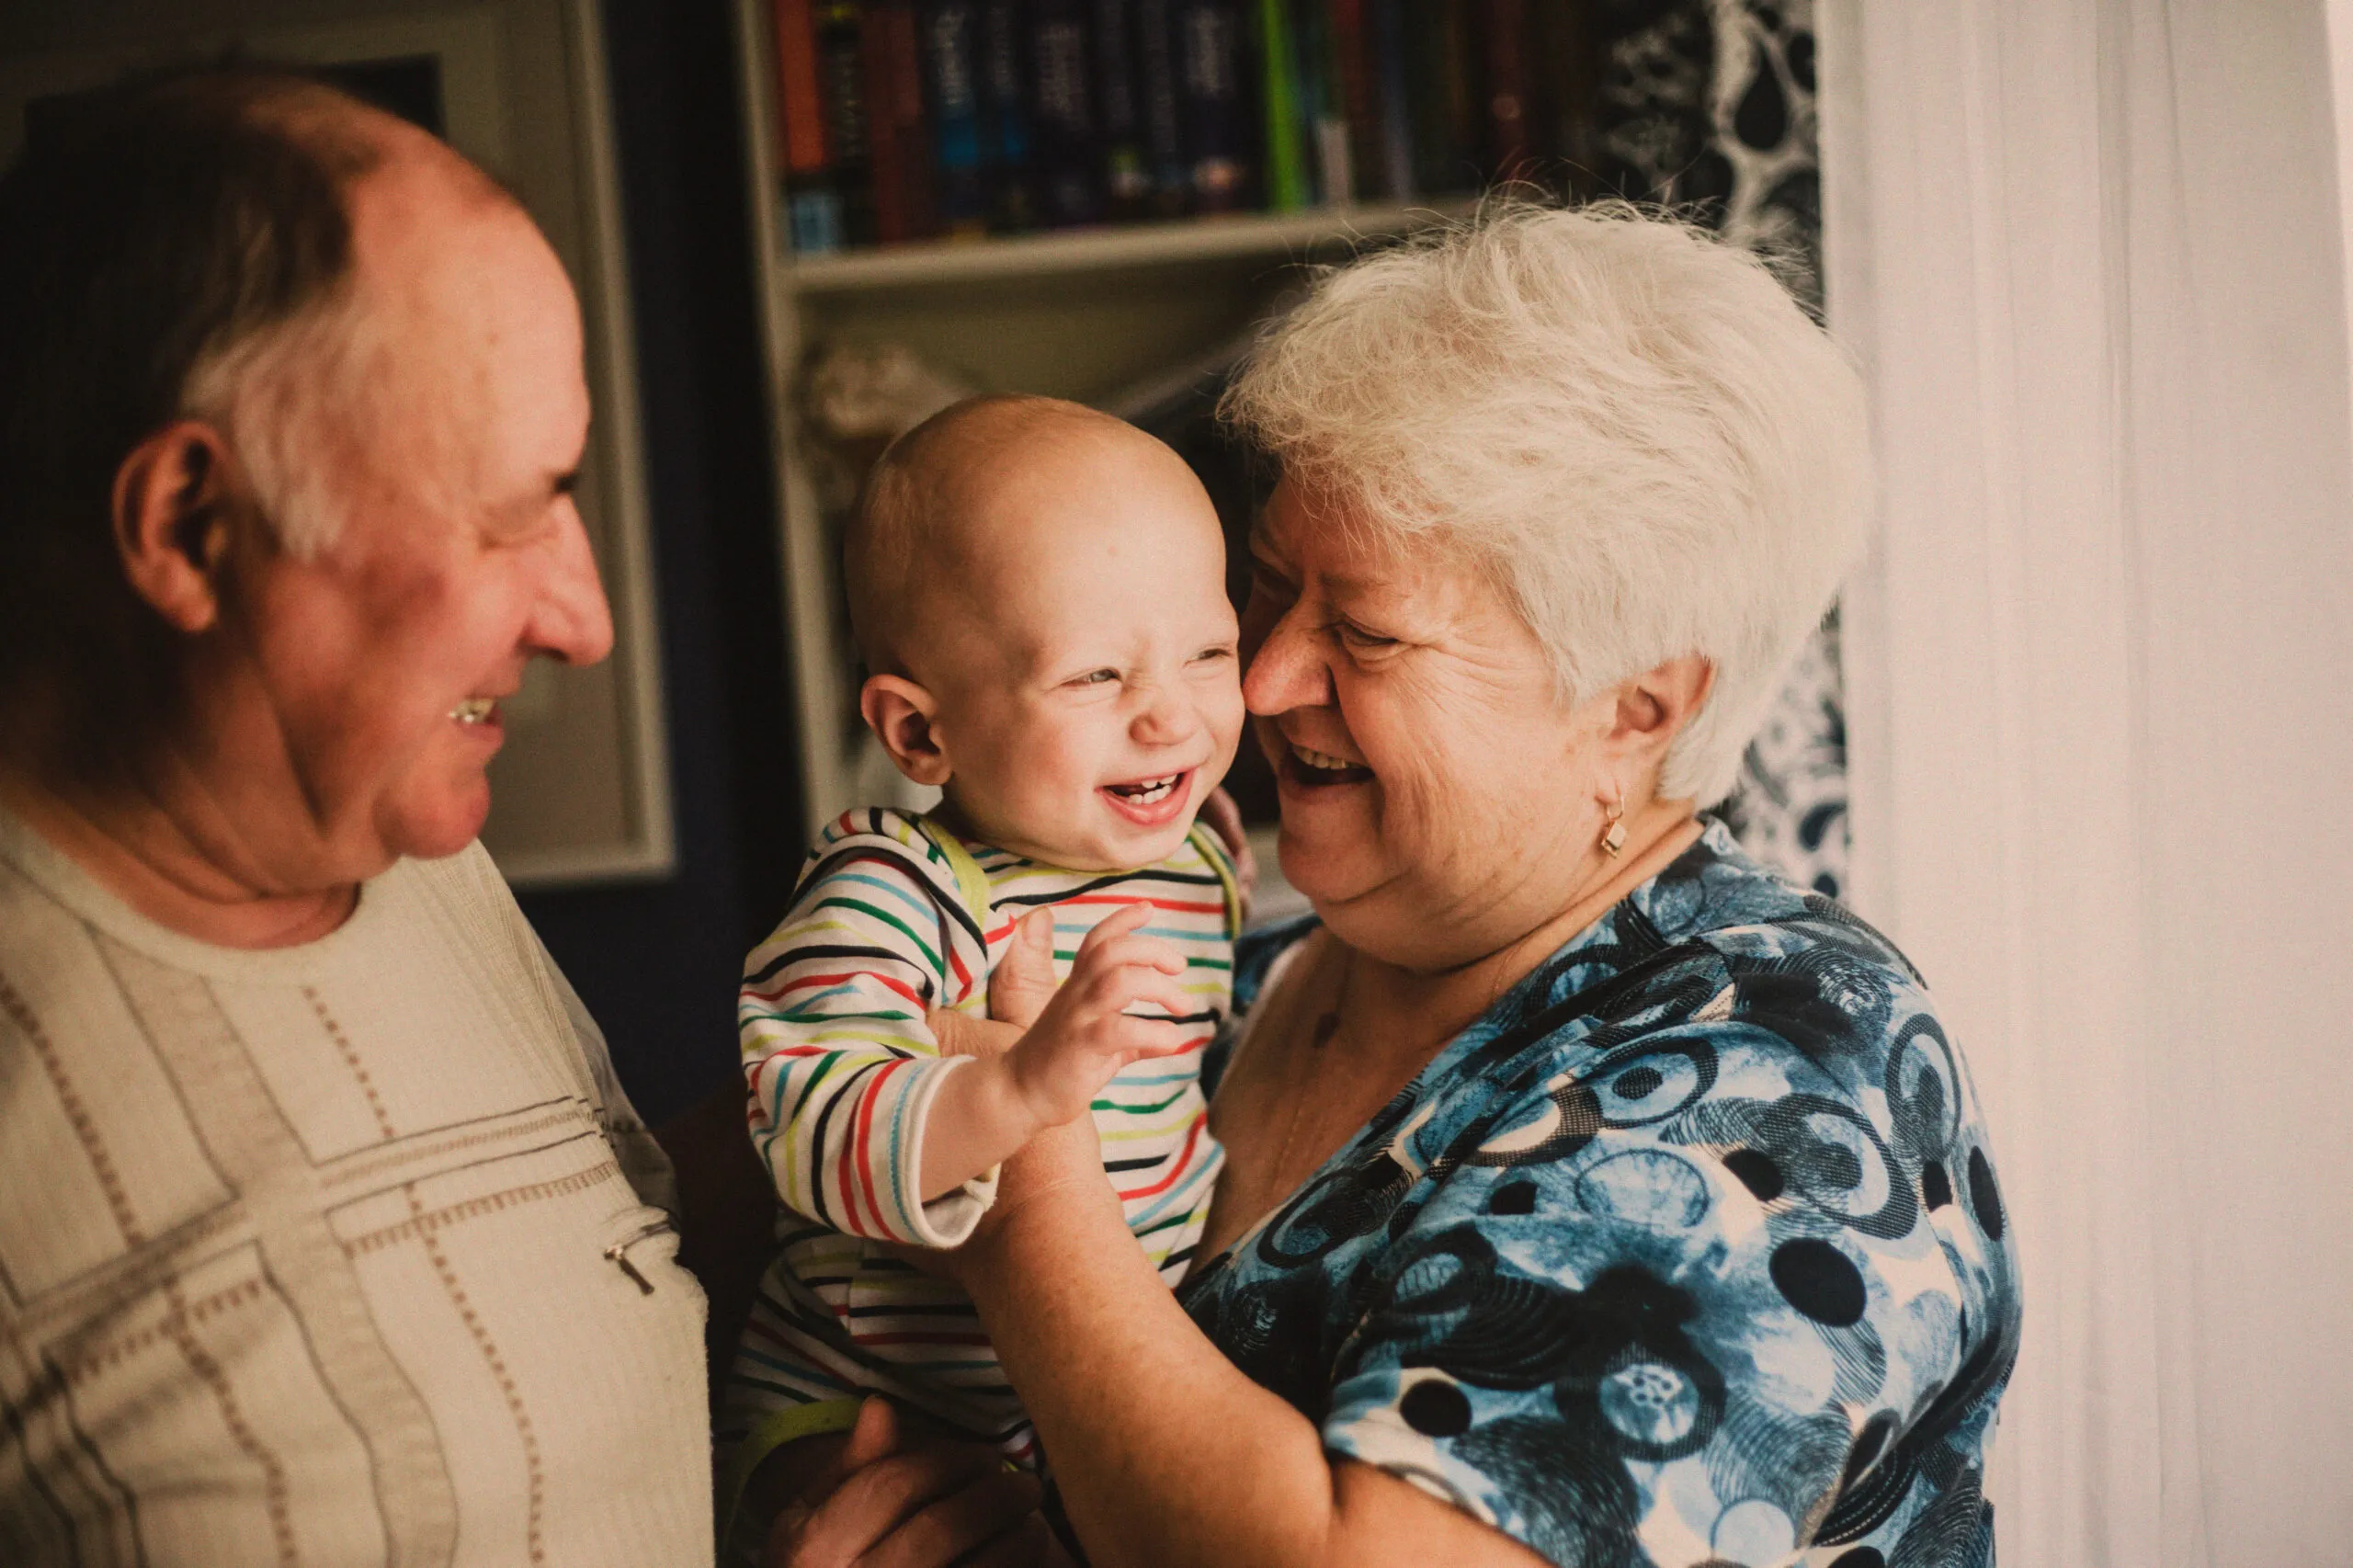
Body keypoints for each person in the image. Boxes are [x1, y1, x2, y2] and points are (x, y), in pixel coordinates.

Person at [774, 205, 2024, 1568]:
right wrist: (811, 1492)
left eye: (1362, 630)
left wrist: (1030, 1192)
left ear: (1632, 707)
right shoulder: (1233, 957)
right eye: (1262, 590)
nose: (1257, 684)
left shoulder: (1782, 1079)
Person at [0, 69, 1040, 1565]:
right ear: (188, 527)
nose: (586, 617)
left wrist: (948, 1103)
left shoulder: (398, 843)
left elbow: (576, 1255)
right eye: (508, 513)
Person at [724, 398, 1245, 1500]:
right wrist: (1012, 1087)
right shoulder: (893, 890)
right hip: (867, 1402)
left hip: (1079, 1399)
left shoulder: (1196, 859)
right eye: (1095, 676)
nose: (1171, 718)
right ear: (921, 731)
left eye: (1209, 652)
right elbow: (805, 1122)